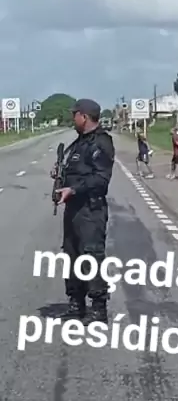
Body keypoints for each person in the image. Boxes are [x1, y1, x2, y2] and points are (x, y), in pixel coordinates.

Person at [53, 98, 115, 323]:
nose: (73, 118)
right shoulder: (79, 143)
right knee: (72, 255)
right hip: (74, 209)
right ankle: (76, 303)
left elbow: (101, 179)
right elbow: (77, 170)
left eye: (75, 114)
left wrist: (74, 189)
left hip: (91, 209)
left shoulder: (101, 142)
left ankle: (98, 308)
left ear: (84, 116)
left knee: (91, 256)